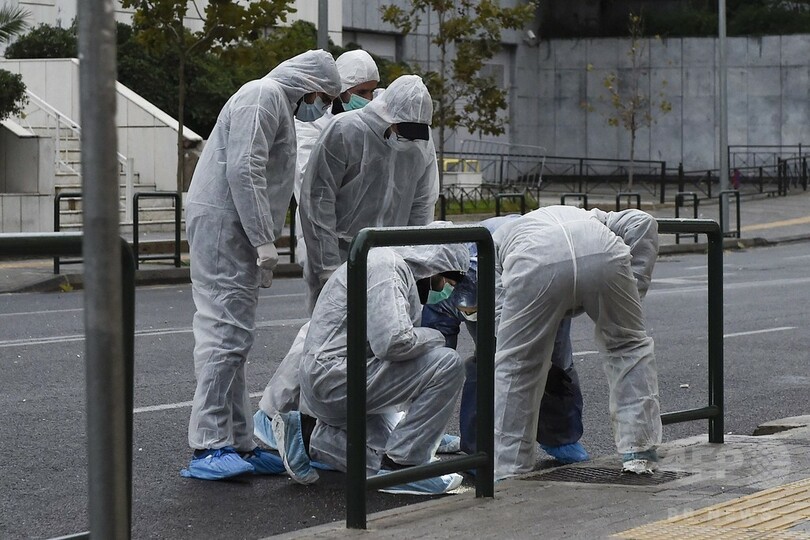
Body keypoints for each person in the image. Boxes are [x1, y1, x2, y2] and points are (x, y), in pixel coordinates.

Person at [180, 50, 341, 481]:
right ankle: (208, 444)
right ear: (309, 86)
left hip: (232, 228)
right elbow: (244, 168)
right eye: (325, 98)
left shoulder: (276, 102)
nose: (324, 108)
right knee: (223, 334)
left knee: (235, 337)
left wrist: (260, 236)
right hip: (226, 227)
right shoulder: (263, 94)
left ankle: (237, 442)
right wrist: (262, 238)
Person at [272, 239, 470, 495]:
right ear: (435, 267)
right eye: (446, 282)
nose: (444, 292)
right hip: (336, 377)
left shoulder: (394, 268)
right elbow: (393, 343)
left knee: (388, 448)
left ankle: (306, 434)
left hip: (339, 376)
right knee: (447, 364)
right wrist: (436, 336)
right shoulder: (388, 268)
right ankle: (405, 467)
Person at [491, 205, 661, 480]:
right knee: (628, 348)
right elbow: (642, 222)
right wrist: (633, 289)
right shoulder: (592, 215)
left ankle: (509, 470)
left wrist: (518, 334)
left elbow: (500, 305)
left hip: (534, 260)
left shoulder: (496, 238)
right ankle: (639, 452)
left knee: (517, 367)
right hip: (602, 250)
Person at [298, 74, 439, 313]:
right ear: (388, 116)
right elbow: (318, 200)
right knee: (333, 327)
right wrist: (327, 267)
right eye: (405, 130)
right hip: (341, 251)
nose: (409, 139)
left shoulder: (421, 144)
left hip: (391, 256)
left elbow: (422, 204)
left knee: (389, 327)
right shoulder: (346, 130)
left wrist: (418, 262)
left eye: (416, 132)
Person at [292, 49, 380, 270]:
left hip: (365, 236)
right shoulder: (313, 123)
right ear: (341, 90)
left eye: (372, 91)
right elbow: (310, 181)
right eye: (361, 91)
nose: (369, 99)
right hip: (324, 234)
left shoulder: (372, 124)